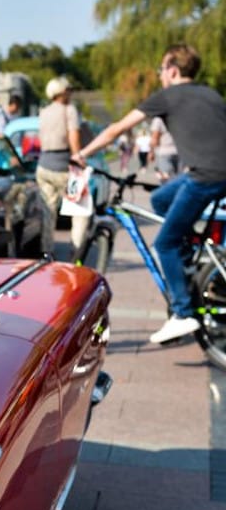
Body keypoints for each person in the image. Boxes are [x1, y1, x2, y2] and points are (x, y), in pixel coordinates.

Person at [75, 43, 226, 344]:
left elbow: (117, 129)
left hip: (205, 177)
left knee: (165, 243)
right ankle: (188, 261)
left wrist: (82, 154)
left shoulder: (167, 96)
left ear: (172, 70)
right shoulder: (210, 94)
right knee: (159, 199)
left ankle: (183, 313)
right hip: (211, 174)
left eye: (161, 70)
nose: (159, 76)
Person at [36, 76, 86, 256]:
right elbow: (73, 136)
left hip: (43, 166)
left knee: (48, 211)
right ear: (62, 92)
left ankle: (47, 251)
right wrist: (78, 158)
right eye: (69, 90)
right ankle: (76, 251)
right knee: (80, 208)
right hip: (63, 167)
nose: (71, 93)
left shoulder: (44, 111)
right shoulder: (69, 110)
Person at [150, 116, 181, 181]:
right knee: (180, 178)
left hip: (164, 152)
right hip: (180, 151)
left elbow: (155, 139)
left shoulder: (158, 120)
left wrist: (151, 152)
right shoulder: (179, 116)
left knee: (166, 179)